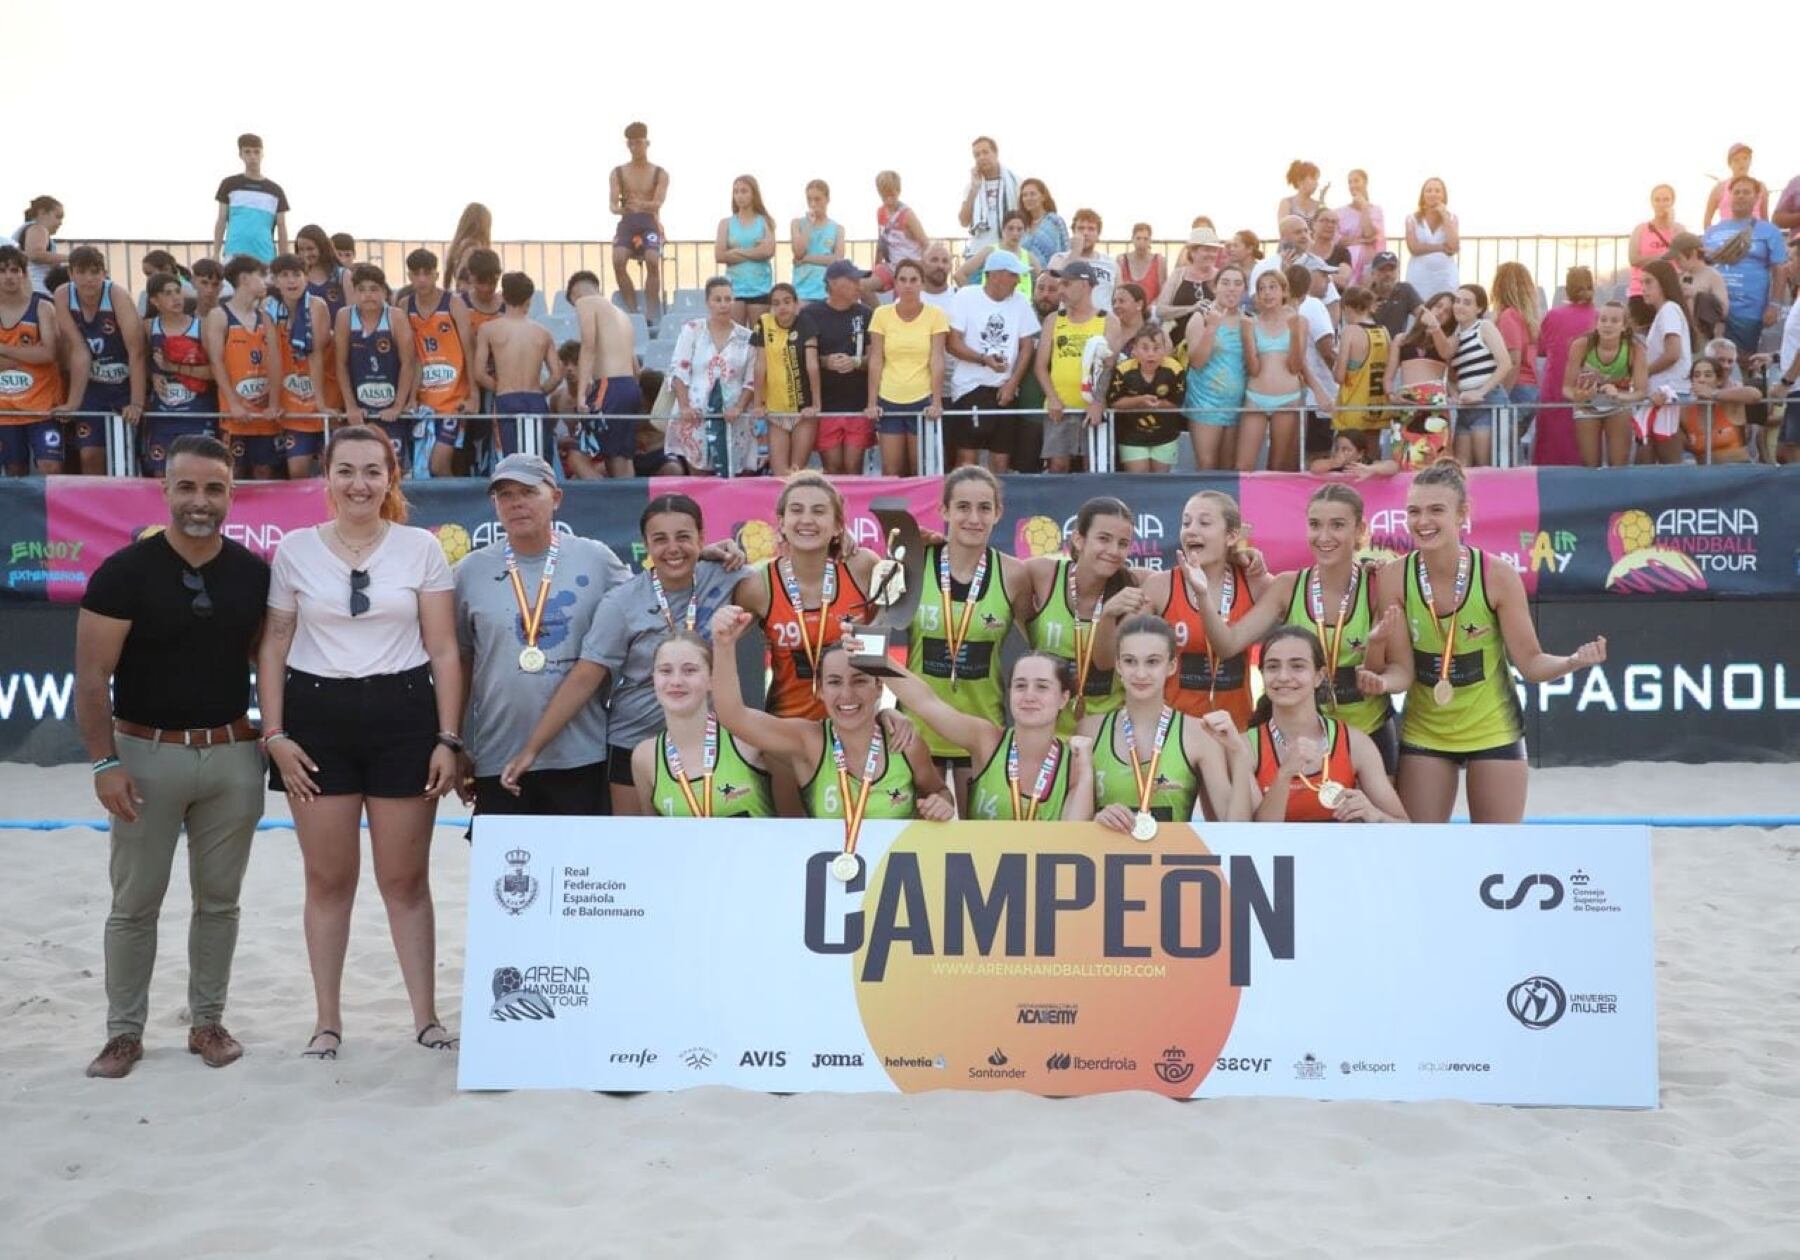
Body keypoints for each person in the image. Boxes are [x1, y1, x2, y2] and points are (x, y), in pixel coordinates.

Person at [258, 426, 462, 1059]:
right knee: (328, 880)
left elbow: (444, 648)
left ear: (391, 478)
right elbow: (274, 645)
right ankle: (327, 1021)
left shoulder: (420, 549)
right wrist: (275, 735)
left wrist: (448, 738)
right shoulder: (294, 551)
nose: (359, 484)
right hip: (318, 719)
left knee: (404, 880)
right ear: (326, 477)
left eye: (373, 471)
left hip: (404, 714)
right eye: (346, 471)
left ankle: (425, 1017)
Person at [74, 434, 268, 1078]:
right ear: (165, 490)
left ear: (231, 495)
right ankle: (123, 1033)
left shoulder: (251, 574)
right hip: (144, 757)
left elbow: (269, 666)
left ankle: (208, 1023)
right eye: (187, 487)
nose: (200, 501)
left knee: (220, 901)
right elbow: (91, 678)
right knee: (135, 904)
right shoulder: (124, 573)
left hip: (232, 756)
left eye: (214, 489)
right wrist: (105, 763)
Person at [1374, 459, 1605, 824]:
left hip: (1494, 730)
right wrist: (1379, 670)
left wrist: (1572, 661)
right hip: (1426, 731)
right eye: (1414, 511)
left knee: (1498, 853)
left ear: (1463, 514)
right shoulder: (1393, 578)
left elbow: (1530, 664)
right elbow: (1400, 667)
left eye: (1437, 510)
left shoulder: (1497, 576)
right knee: (1419, 852)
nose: (1423, 521)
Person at [504, 493, 743, 815]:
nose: (672, 548)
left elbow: (781, 588)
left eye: (684, 537)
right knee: (634, 850)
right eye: (660, 539)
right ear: (645, 544)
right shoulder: (621, 602)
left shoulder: (726, 575)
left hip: (709, 742)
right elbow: (584, 678)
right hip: (633, 741)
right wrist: (531, 749)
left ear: (702, 538)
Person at [1177, 483, 1405, 773]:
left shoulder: (1378, 585)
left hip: (1368, 732)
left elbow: (1401, 670)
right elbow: (1228, 644)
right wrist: (1202, 595)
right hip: (1298, 739)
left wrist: (1382, 683)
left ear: (1359, 530)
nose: (1324, 536)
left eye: (1337, 525)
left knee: (1379, 817)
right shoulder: (1288, 586)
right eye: (1314, 525)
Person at [453, 454, 629, 817]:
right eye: (505, 495)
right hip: (498, 755)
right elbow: (460, 662)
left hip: (582, 754)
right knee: (508, 872)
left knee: (581, 871)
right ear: (494, 504)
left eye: (528, 492)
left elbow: (649, 595)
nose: (516, 503)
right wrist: (454, 743)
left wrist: (702, 559)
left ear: (557, 498)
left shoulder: (596, 559)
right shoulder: (470, 571)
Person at [712, 606, 955, 823]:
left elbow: (940, 793)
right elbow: (735, 718)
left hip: (889, 871)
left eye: (859, 681)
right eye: (835, 682)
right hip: (828, 871)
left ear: (879, 686)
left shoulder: (905, 743)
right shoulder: (810, 742)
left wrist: (942, 805)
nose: (847, 694)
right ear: (821, 690)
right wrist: (724, 646)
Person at [900, 467, 1038, 803]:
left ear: (998, 513)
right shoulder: (915, 561)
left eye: (984, 508)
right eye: (962, 507)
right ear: (944, 511)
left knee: (980, 844)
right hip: (917, 733)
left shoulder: (1014, 574)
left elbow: (1041, 645)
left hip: (980, 730)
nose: (973, 518)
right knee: (919, 842)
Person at [1080, 614, 1254, 831]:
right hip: (1106, 861)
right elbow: (1068, 825)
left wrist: (1239, 754)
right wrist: (1095, 821)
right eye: (1130, 661)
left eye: (1152, 662)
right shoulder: (1090, 729)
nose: (1140, 673)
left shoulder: (1198, 734)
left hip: (1172, 862)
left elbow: (1236, 830)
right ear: (1118, 667)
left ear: (1171, 666)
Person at [730, 471, 881, 721]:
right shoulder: (758, 586)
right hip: (788, 732)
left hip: (853, 727)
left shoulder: (863, 567)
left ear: (838, 525)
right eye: (797, 510)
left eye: (819, 511)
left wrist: (886, 713)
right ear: (781, 522)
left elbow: (882, 649)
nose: (807, 520)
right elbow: (718, 645)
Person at [882, 653, 1095, 822]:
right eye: (1020, 685)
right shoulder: (987, 740)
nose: (1029, 696)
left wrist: (1086, 771)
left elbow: (1074, 833)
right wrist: (875, 655)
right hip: (980, 874)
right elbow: (926, 703)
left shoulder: (1074, 763)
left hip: (1043, 875)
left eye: (1042, 687)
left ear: (1064, 698)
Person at [1118, 490, 1263, 731]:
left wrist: (1246, 553)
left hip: (1236, 731)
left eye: (1204, 522)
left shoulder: (1255, 582)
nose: (1191, 529)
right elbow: (1121, 652)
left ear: (1232, 535)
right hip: (1171, 733)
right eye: (1186, 522)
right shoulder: (1160, 586)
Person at [1245, 626, 1408, 823]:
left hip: (1340, 854)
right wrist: (1285, 774)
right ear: (1262, 674)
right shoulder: (1246, 747)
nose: (1283, 677)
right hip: (1278, 854)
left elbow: (1404, 827)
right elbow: (1252, 838)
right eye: (1272, 666)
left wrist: (1374, 815)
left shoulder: (1354, 743)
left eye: (1297, 666)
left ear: (1319, 676)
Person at [631, 634, 775, 818]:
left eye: (690, 670)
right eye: (665, 671)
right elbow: (651, 836)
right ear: (654, 679)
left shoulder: (747, 739)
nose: (676, 681)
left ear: (711, 679)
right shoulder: (645, 757)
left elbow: (792, 819)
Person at [1026, 496, 1135, 734]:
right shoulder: (1043, 574)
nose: (1113, 551)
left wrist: (1236, 558)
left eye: (1123, 543)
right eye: (1104, 539)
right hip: (1048, 736)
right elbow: (986, 565)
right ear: (1078, 539)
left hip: (1107, 737)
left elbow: (1105, 663)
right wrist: (934, 545)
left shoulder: (1135, 585)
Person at [54, 246, 147, 474]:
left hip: (123, 383)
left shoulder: (117, 295)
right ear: (71, 274)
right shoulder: (63, 295)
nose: (89, 279)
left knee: (124, 456)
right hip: (91, 385)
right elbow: (79, 350)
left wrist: (136, 402)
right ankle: (92, 508)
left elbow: (137, 352)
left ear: (103, 273)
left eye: (95, 272)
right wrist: (73, 403)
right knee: (90, 453)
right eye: (82, 272)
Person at [941, 250, 1036, 472]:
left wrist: (1013, 382)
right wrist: (984, 360)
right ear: (995, 276)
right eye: (1013, 275)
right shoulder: (966, 296)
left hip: (1005, 389)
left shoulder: (1020, 301)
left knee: (1001, 461)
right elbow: (952, 343)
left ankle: (997, 506)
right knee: (966, 459)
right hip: (970, 387)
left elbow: (1027, 346)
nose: (1018, 281)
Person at [398, 248, 476, 478]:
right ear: (409, 276)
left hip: (453, 398)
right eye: (416, 273)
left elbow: (469, 350)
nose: (421, 279)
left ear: (436, 274)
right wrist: (410, 397)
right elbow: (410, 357)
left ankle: (458, 513)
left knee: (438, 466)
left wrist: (474, 395)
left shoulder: (453, 303)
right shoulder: (404, 305)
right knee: (422, 469)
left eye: (427, 273)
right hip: (423, 399)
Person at [866, 259, 948, 477]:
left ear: (922, 283)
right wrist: (872, 402)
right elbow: (876, 359)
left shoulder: (936, 315)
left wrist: (937, 401)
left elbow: (937, 359)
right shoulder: (881, 314)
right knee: (892, 471)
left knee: (918, 469)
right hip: (889, 400)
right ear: (895, 283)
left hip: (922, 400)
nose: (908, 285)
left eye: (913, 280)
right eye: (902, 280)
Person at [203, 255, 281, 480]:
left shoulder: (264, 317)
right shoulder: (219, 316)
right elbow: (216, 363)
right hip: (236, 414)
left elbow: (275, 362)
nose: (266, 282)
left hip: (264, 413)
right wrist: (234, 404)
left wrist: (274, 404)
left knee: (265, 472)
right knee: (233, 472)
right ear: (245, 279)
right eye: (261, 276)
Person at [668, 276, 756, 475]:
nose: (723, 305)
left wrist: (739, 407)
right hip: (695, 413)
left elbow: (751, 379)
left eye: (728, 299)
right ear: (708, 302)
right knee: (698, 474)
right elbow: (679, 369)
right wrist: (684, 406)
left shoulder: (747, 337)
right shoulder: (692, 330)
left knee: (733, 474)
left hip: (733, 415)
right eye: (718, 300)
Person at [0, 245, 73, 476]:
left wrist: (4, 350)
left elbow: (48, 353)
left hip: (42, 408)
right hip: (6, 410)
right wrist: (26, 354)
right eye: (2, 271)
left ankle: (54, 513)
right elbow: (37, 353)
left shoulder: (42, 307)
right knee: (15, 471)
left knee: (50, 468)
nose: (9, 276)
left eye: (14, 270)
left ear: (24, 273)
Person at [798, 260, 876, 475]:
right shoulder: (811, 313)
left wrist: (855, 362)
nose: (858, 285)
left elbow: (876, 358)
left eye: (858, 279)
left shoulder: (866, 314)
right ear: (832, 283)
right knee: (832, 468)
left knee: (853, 468)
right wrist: (825, 361)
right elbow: (802, 357)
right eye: (852, 280)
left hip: (858, 405)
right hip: (826, 405)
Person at [474, 271, 561, 459]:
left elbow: (479, 373)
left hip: (507, 399)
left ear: (503, 296)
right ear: (529, 300)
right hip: (535, 399)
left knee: (510, 460)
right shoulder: (542, 332)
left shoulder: (488, 329)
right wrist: (541, 391)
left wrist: (501, 388)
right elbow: (556, 375)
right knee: (538, 463)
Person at [334, 264, 416, 464]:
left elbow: (408, 364)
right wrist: (351, 406)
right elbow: (341, 364)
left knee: (395, 467)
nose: (367, 295)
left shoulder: (395, 316)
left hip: (390, 410)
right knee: (359, 462)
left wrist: (398, 405)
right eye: (361, 289)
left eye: (373, 289)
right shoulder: (345, 316)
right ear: (353, 292)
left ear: (384, 292)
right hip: (360, 408)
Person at [1702, 176, 1789, 358]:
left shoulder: (1769, 231)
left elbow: (1779, 270)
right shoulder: (1712, 232)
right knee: (1710, 364)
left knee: (1742, 362)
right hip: (1713, 311)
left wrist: (1774, 305)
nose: (1741, 196)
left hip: (1748, 312)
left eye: (1746, 192)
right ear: (1730, 196)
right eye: (1736, 192)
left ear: (1757, 197)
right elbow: (1702, 266)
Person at [1035, 260, 1108, 473]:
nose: (1061, 289)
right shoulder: (1053, 320)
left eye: (1067, 284)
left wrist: (1097, 401)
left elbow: (1109, 366)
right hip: (1060, 407)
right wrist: (1053, 398)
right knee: (1057, 465)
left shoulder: (1106, 320)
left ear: (1084, 286)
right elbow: (1040, 366)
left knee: (1092, 465)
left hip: (1090, 408)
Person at [141, 271, 217, 476]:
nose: (176, 298)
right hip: (163, 415)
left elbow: (215, 372)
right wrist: (153, 375)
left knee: (199, 474)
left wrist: (173, 368)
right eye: (168, 294)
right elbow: (139, 362)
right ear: (155, 301)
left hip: (197, 413)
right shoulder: (148, 327)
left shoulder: (201, 327)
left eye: (178, 292)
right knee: (161, 476)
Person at [571, 270, 642, 479]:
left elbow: (588, 345)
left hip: (608, 386)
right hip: (629, 386)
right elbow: (636, 367)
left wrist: (581, 394)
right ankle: (626, 507)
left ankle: (609, 503)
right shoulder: (622, 315)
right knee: (621, 456)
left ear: (576, 294)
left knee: (577, 455)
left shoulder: (586, 303)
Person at [1182, 265, 1252, 470]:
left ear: (1244, 289)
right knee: (1207, 465)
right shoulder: (1200, 318)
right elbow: (1196, 361)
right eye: (1225, 282)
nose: (1231, 288)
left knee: (1229, 467)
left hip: (1236, 404)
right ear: (1214, 287)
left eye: (1238, 283)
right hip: (1205, 403)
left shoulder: (1248, 321)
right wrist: (1212, 327)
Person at [1562, 299, 1645, 469]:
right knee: (1590, 465)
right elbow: (1566, 389)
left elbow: (1641, 391)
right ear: (1596, 323)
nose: (1608, 325)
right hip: (1587, 406)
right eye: (1603, 320)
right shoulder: (1581, 345)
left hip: (1618, 405)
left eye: (1615, 321)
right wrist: (1579, 396)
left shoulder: (1635, 349)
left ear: (1624, 326)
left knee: (1619, 464)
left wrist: (1618, 394)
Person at [1238, 269, 1306, 472]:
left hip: (1287, 398)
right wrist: (1248, 336)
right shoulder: (1251, 323)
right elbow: (1254, 369)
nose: (1267, 293)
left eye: (1272, 287)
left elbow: (1295, 367)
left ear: (1284, 291)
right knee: (1244, 465)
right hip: (1256, 397)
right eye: (1262, 289)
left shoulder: (1298, 321)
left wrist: (1294, 332)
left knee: (1278, 465)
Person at [1533, 266, 1598, 466]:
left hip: (1555, 385)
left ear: (1567, 289)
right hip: (1585, 386)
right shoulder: (1598, 316)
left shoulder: (1554, 315)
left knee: (1551, 447)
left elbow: (1541, 347)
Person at [748, 283, 811, 474]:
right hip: (776, 411)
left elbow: (813, 367)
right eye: (776, 303)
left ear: (796, 304)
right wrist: (758, 403)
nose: (782, 307)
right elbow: (760, 366)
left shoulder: (807, 324)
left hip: (803, 411)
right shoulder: (764, 323)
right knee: (780, 474)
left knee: (797, 472)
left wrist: (816, 404)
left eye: (787, 301)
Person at [1447, 283, 1513, 467]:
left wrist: (1481, 392)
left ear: (1479, 308)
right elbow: (1451, 377)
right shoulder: (1455, 336)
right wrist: (1454, 395)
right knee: (1463, 468)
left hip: (1488, 402)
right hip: (1465, 406)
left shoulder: (1484, 327)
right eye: (1457, 301)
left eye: (1467, 303)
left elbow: (1505, 363)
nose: (1459, 306)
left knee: (1486, 466)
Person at [1638, 259, 1694, 464]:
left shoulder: (1669, 310)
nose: (1643, 288)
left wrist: (1644, 373)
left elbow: (1673, 353)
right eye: (1642, 283)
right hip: (1662, 391)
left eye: (1649, 282)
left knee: (1669, 456)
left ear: (1663, 282)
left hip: (1669, 392)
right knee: (1649, 450)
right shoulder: (1665, 312)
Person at [610, 124, 668, 321]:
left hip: (649, 222)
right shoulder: (618, 172)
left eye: (639, 143)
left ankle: (652, 312)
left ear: (647, 143)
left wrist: (641, 204)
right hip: (628, 222)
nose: (635, 147)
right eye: (631, 144)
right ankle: (633, 311)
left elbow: (658, 202)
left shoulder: (659, 173)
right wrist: (621, 209)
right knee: (618, 261)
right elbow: (612, 205)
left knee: (653, 260)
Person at [1390, 290, 1458, 455]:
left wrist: (1435, 328)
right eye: (1438, 306)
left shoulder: (1451, 339)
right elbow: (1388, 376)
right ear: (1429, 307)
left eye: (1447, 311)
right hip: (1407, 403)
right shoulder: (1401, 339)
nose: (1441, 312)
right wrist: (1391, 396)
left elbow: (1446, 353)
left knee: (1436, 457)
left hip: (1434, 405)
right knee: (1403, 458)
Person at [1107, 328, 1185, 472]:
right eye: (1145, 348)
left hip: (1165, 437)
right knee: (1138, 482)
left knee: (1160, 483)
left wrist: (1159, 405)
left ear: (1165, 349)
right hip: (1131, 438)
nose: (1151, 354)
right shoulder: (1123, 370)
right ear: (1134, 350)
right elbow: (1114, 402)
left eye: (1157, 348)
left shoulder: (1175, 369)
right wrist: (1139, 401)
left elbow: (1177, 402)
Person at [1331, 285, 1391, 456]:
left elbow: (1340, 376)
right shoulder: (1384, 331)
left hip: (1354, 406)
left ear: (1348, 308)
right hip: (1377, 406)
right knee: (1372, 453)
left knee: (1348, 457)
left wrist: (1336, 362)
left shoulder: (1351, 331)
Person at [211, 134, 288, 264]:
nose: (252, 156)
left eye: (256, 152)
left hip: (265, 256)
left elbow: (281, 227)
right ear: (240, 155)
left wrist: (284, 260)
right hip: (234, 255)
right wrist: (215, 253)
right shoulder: (229, 184)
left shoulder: (275, 190)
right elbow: (221, 220)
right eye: (247, 152)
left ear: (263, 154)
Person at [716, 175, 776, 326]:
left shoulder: (765, 222)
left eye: (744, 191)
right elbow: (720, 255)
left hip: (760, 288)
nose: (739, 196)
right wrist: (755, 251)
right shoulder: (726, 224)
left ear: (753, 194)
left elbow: (768, 251)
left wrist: (736, 252)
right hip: (735, 288)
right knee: (736, 338)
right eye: (736, 192)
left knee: (758, 337)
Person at [1627, 185, 1685, 328]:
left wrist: (1671, 228)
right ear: (1652, 202)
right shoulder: (1641, 229)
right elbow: (1634, 259)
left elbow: (1683, 259)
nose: (1661, 204)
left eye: (1666, 199)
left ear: (1672, 202)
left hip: (1670, 291)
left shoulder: (1679, 229)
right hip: (1641, 292)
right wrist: (1664, 255)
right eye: (1657, 200)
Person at [1680, 356, 1758, 464]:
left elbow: (1755, 395)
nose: (1701, 380)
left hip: (1738, 469)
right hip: (1705, 474)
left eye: (1708, 375)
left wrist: (1713, 394)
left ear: (1719, 380)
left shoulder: (1729, 404)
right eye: (1696, 375)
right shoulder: (1684, 412)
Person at [1159, 226, 1224, 349]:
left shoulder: (1221, 277)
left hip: (1210, 347)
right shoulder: (1178, 275)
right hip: (1176, 347)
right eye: (1206, 249)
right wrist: (1191, 309)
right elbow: (1161, 310)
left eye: (1214, 250)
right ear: (1193, 252)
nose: (1211, 254)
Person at [867, 170, 928, 298]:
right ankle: (877, 314)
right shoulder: (880, 212)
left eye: (892, 195)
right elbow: (881, 240)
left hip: (909, 268)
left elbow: (925, 243)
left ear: (898, 191)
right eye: (884, 196)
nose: (889, 200)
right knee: (862, 286)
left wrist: (922, 271)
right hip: (890, 266)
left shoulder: (907, 215)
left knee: (901, 302)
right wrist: (876, 264)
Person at [955, 210, 1037, 300]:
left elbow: (1044, 279)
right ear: (1003, 230)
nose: (1015, 233)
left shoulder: (1029, 257)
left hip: (1020, 310)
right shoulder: (989, 251)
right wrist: (974, 300)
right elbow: (959, 274)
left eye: (1019, 229)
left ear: (1024, 231)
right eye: (1010, 228)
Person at [959, 136, 1020, 256]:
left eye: (985, 152)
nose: (981, 157)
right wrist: (975, 189)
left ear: (996, 153)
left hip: (1008, 253)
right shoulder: (971, 186)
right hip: (978, 254)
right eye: (977, 155)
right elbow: (964, 221)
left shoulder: (1016, 182)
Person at [1666, 232, 1730, 344]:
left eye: (1679, 259)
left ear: (1693, 254)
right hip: (1687, 334)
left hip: (1706, 335)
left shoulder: (1712, 275)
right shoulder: (1683, 276)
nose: (1677, 263)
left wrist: (1697, 295)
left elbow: (1723, 310)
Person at [1046, 209, 1118, 309]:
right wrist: (1075, 251)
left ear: (1098, 235)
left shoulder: (1111, 263)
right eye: (1081, 228)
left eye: (1091, 229)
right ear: (1074, 232)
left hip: (1102, 321)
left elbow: (1118, 296)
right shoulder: (1059, 258)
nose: (1085, 233)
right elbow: (1057, 285)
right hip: (1070, 321)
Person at [791, 180, 844, 303]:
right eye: (809, 199)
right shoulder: (797, 223)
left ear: (827, 199)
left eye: (817, 199)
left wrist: (806, 259)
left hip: (826, 291)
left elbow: (837, 259)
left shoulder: (837, 228)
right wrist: (809, 225)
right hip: (802, 291)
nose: (813, 204)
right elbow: (798, 252)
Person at [1404, 178, 1459, 298]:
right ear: (1423, 196)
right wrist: (1441, 247)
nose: (1433, 194)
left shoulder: (1452, 218)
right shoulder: (1412, 219)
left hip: (1445, 277)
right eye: (1428, 190)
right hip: (1419, 276)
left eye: (1437, 190)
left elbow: (1454, 246)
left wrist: (1444, 216)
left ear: (1444, 195)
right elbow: (1413, 248)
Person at [1336, 169, 1387, 283]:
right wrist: (1363, 241)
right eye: (1350, 182)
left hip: (1369, 263)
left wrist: (1364, 207)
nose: (1353, 185)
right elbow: (1339, 241)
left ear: (1365, 182)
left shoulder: (1376, 210)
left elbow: (1369, 234)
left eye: (1356, 181)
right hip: (1348, 262)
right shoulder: (1339, 212)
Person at [1702, 143, 1768, 229]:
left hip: (1755, 235)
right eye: (1736, 160)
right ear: (1730, 164)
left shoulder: (1761, 187)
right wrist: (1711, 238)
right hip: (1727, 237)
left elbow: (1765, 218)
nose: (1742, 163)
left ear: (1750, 161)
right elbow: (1707, 219)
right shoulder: (1719, 188)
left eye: (1745, 158)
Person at [295, 223, 349, 322]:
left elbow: (352, 313)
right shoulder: (296, 277)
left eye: (310, 249)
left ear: (322, 247)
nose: (305, 254)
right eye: (301, 250)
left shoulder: (343, 275)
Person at [15, 195, 67, 294]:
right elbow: (35, 254)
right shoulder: (38, 229)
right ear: (42, 213)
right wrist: (72, 258)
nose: (60, 223)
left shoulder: (24, 230)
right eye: (58, 217)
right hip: (38, 289)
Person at [1103, 282, 1165, 361]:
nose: (1116, 306)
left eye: (1121, 301)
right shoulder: (1107, 330)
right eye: (1114, 302)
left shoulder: (1155, 333)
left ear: (1139, 304)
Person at [1018, 178, 1068, 272]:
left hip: (1050, 279)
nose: (1028, 198)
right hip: (1024, 280)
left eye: (1032, 194)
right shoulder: (1021, 225)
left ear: (1043, 197)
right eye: (1024, 195)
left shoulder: (1054, 221)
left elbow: (1065, 250)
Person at [1367, 251, 1421, 339]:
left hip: (1398, 346)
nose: (1388, 274)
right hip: (1371, 347)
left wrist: (1413, 338)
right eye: (1382, 270)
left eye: (1391, 270)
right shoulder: (1364, 296)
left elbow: (1422, 314)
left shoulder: (1405, 290)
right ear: (1373, 273)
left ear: (1398, 272)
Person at [1116, 223, 1166, 306]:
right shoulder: (1121, 260)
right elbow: (1117, 290)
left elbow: (1163, 292)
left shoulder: (1159, 261)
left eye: (1145, 239)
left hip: (1152, 310)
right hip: (1127, 310)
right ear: (1132, 239)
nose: (1141, 242)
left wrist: (1151, 307)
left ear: (1150, 240)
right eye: (1138, 238)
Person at [1277, 160, 1326, 227]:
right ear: (1300, 180)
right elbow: (1283, 229)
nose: (1317, 183)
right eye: (1313, 178)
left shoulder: (1318, 204)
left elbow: (1324, 224)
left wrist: (1322, 200)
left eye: (1317, 179)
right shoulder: (1287, 203)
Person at [920, 242, 958, 312]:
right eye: (934, 260)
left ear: (951, 267)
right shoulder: (909, 301)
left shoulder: (960, 298)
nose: (940, 266)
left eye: (945, 261)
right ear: (922, 264)